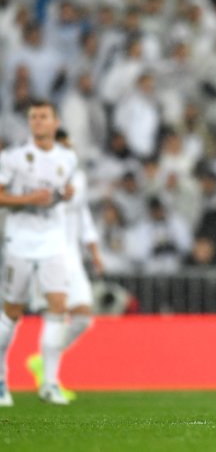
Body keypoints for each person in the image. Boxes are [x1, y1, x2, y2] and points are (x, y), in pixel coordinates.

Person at [0, 100, 78, 406]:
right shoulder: (13, 157)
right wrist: (29, 198)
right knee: (12, 311)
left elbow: (57, 195)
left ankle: (49, 383)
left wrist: (62, 196)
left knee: (58, 306)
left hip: (53, 239)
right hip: (20, 238)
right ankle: (1, 382)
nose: (38, 122)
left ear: (55, 122)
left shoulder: (68, 158)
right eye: (33, 117)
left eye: (43, 116)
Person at [26, 128, 104, 401]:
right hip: (49, 255)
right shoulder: (37, 179)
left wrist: (94, 251)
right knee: (56, 316)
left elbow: (83, 216)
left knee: (83, 318)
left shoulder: (78, 178)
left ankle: (42, 361)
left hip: (73, 256)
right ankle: (50, 382)